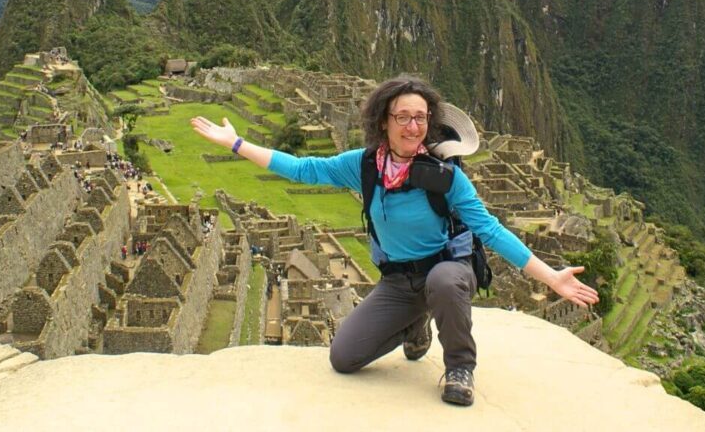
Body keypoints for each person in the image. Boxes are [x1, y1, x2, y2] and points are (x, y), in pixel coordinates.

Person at [191, 75, 598, 407]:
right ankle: (413, 324)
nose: (412, 126)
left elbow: (490, 229)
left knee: (442, 281)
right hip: (399, 282)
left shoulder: (446, 178)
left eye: (420, 118)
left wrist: (551, 278)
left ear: (430, 124)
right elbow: (303, 169)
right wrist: (237, 145)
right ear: (383, 121)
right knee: (344, 357)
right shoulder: (364, 166)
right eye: (402, 116)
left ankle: (459, 367)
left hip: (448, 270)